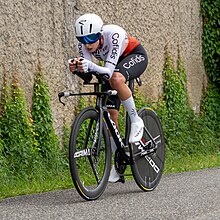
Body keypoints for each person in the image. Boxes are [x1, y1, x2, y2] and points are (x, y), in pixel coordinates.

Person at [69, 13, 148, 182]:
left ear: (99, 33)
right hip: (110, 68)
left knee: (116, 78)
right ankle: (118, 162)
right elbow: (91, 73)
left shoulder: (114, 34)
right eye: (82, 39)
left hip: (133, 56)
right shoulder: (85, 45)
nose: (87, 44)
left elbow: (109, 71)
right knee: (110, 116)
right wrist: (78, 69)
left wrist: (89, 65)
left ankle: (136, 121)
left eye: (91, 37)